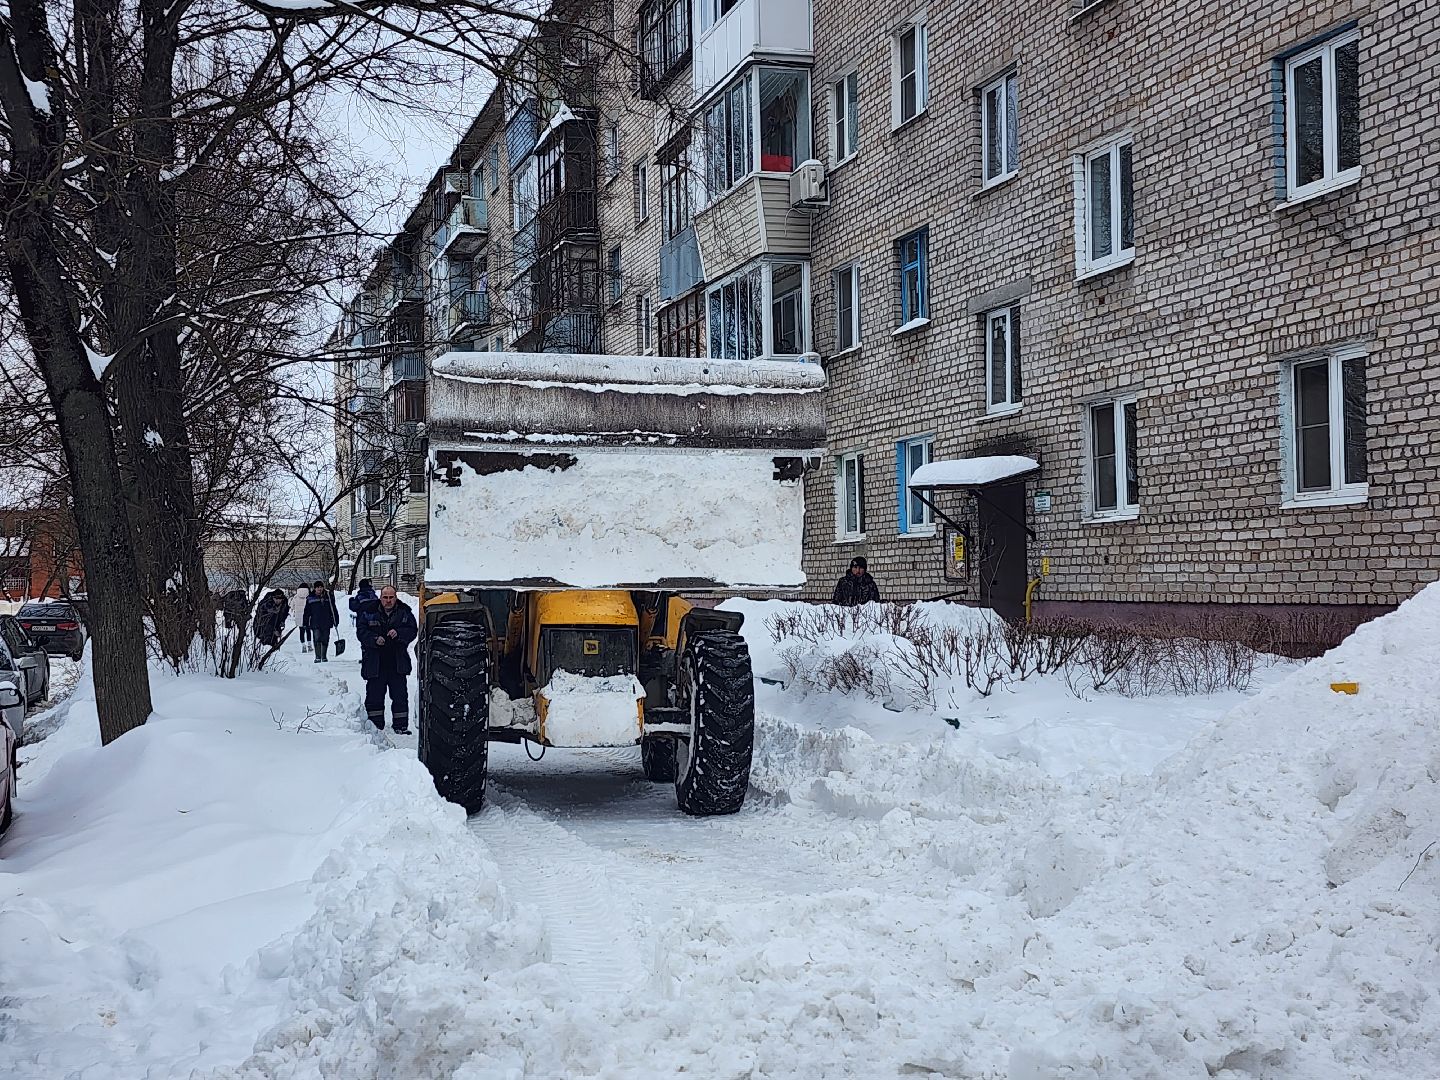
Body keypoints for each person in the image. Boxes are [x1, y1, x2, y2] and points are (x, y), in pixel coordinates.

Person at [356, 585, 418, 733]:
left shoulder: (405, 612)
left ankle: (401, 726)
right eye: (385, 597)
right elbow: (361, 632)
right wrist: (374, 639)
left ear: (396, 598)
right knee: (374, 696)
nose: (388, 600)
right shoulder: (369, 612)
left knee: (400, 697)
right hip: (375, 662)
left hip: (397, 662)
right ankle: (375, 727)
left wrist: (399, 633)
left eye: (391, 597)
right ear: (380, 598)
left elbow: (412, 630)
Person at [303, 581, 340, 662]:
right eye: (317, 587)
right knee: (317, 638)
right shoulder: (310, 598)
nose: (319, 589)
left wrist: (336, 620)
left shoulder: (328, 597)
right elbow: (307, 612)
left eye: (321, 587)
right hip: (315, 622)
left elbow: (333, 609)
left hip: (326, 621)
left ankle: (324, 656)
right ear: (315, 588)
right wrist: (305, 622)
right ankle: (318, 656)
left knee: (325, 638)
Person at [292, 585, 313, 653]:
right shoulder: (309, 596)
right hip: (307, 617)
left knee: (301, 632)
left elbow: (292, 606)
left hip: (299, 617)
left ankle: (303, 646)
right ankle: (309, 645)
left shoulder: (295, 597)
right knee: (308, 631)